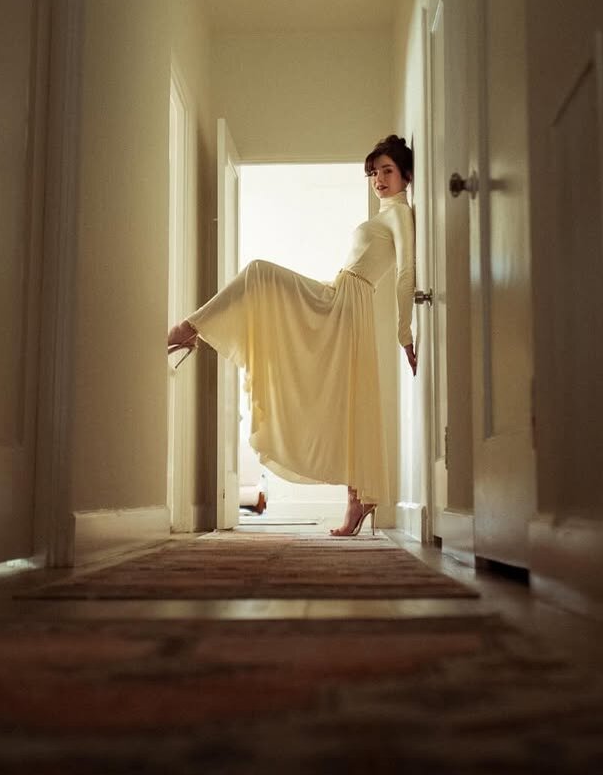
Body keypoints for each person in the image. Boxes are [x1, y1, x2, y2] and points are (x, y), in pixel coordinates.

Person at [167, 134, 417, 537]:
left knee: (258, 272)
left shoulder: (400, 215)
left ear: (406, 174)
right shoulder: (386, 214)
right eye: (374, 172)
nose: (378, 179)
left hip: (350, 304)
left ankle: (189, 329)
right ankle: (357, 498)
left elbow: (406, 273)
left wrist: (404, 333)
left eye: (387, 171)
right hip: (341, 296)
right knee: (344, 399)